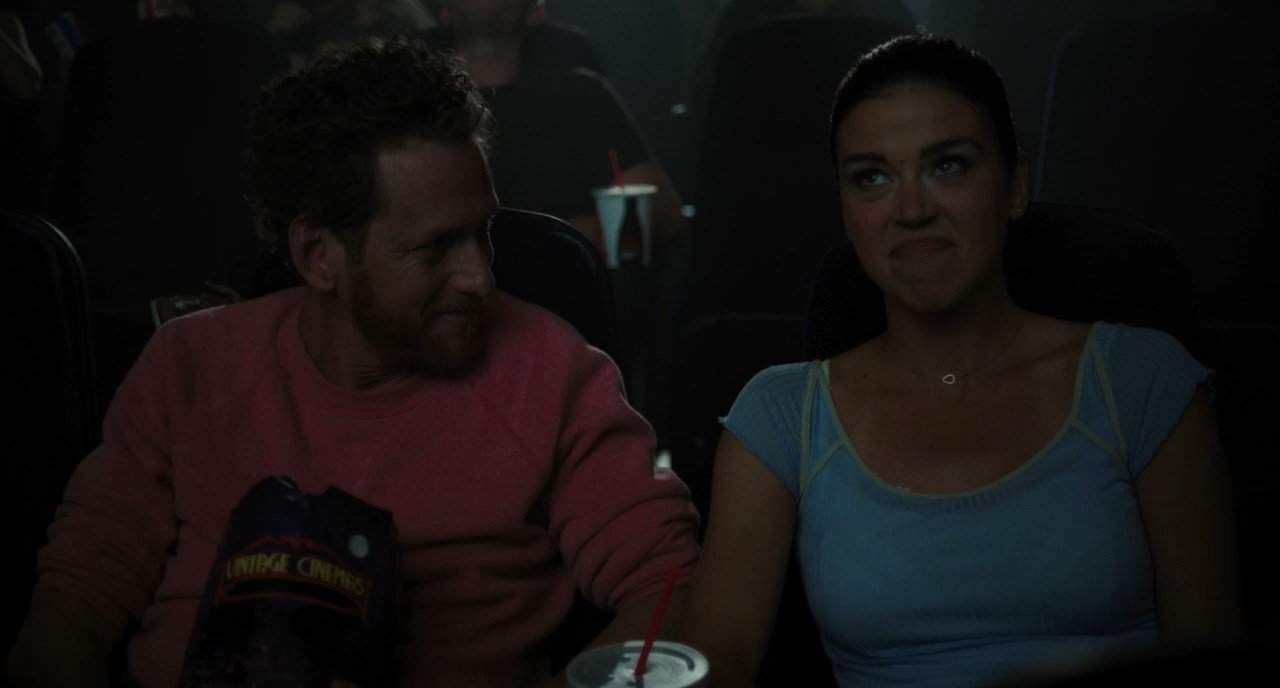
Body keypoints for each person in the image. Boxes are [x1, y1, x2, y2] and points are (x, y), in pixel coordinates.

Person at [7, 36, 699, 688]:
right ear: (319, 255)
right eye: (434, 248)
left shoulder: (554, 371)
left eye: (482, 233)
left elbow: (672, 589)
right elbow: (76, 599)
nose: (479, 278)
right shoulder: (188, 364)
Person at [678, 35, 1244, 687]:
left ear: (1014, 185)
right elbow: (719, 660)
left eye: (947, 166)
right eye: (872, 177)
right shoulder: (781, 416)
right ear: (846, 210)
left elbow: (1209, 649)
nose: (912, 210)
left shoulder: (1139, 380)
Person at [424, 0, 686, 256]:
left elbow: (661, 214)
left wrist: (571, 235)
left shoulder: (582, 96)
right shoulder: (420, 105)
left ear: (535, 10)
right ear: (446, 10)